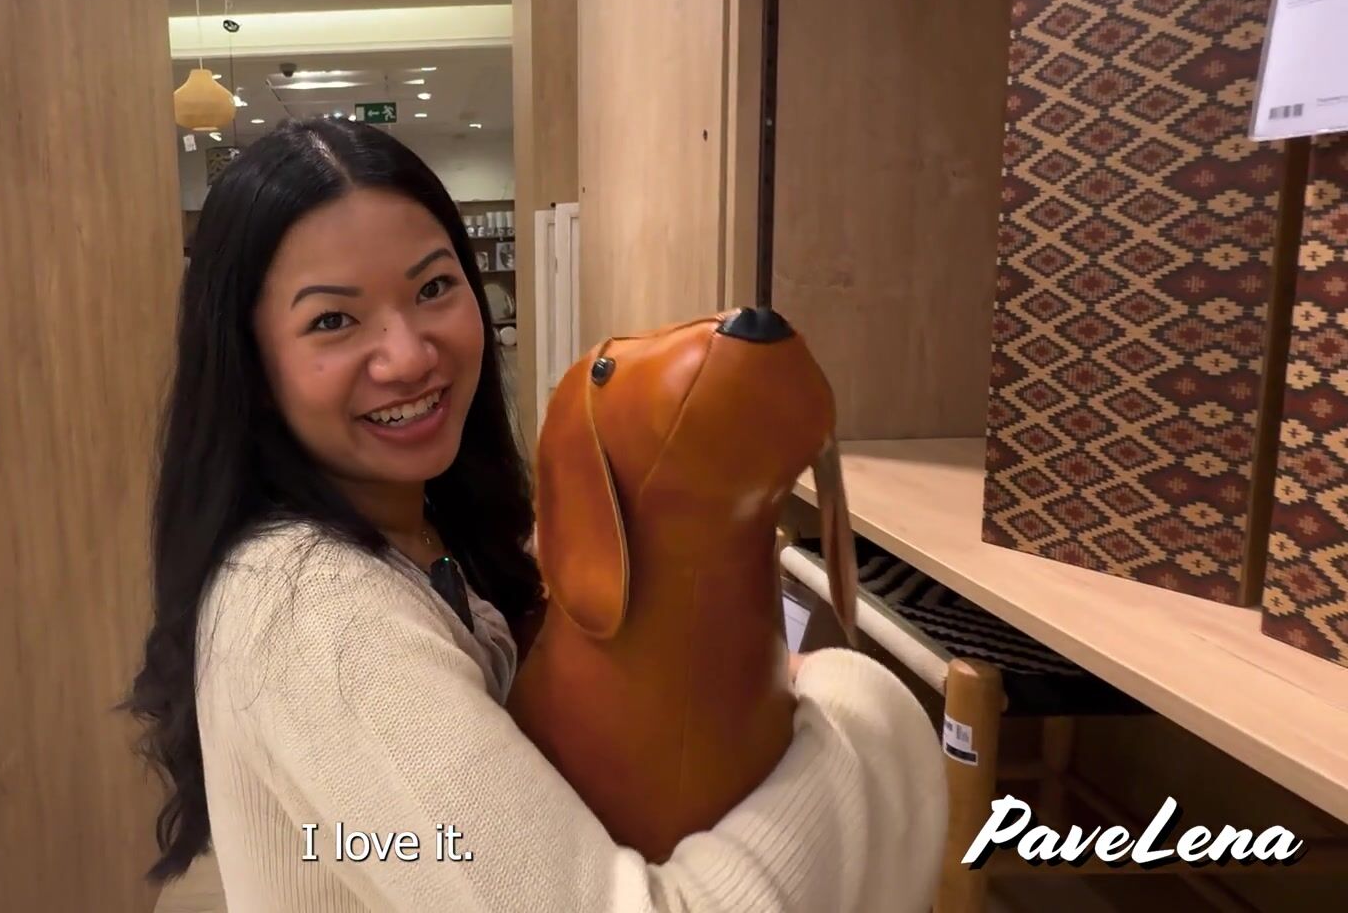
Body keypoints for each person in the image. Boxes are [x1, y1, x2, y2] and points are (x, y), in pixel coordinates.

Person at [125, 118, 947, 911]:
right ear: (252, 366)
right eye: (332, 320)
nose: (408, 355)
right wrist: (861, 713)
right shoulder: (316, 616)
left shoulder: (424, 531)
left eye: (434, 287)